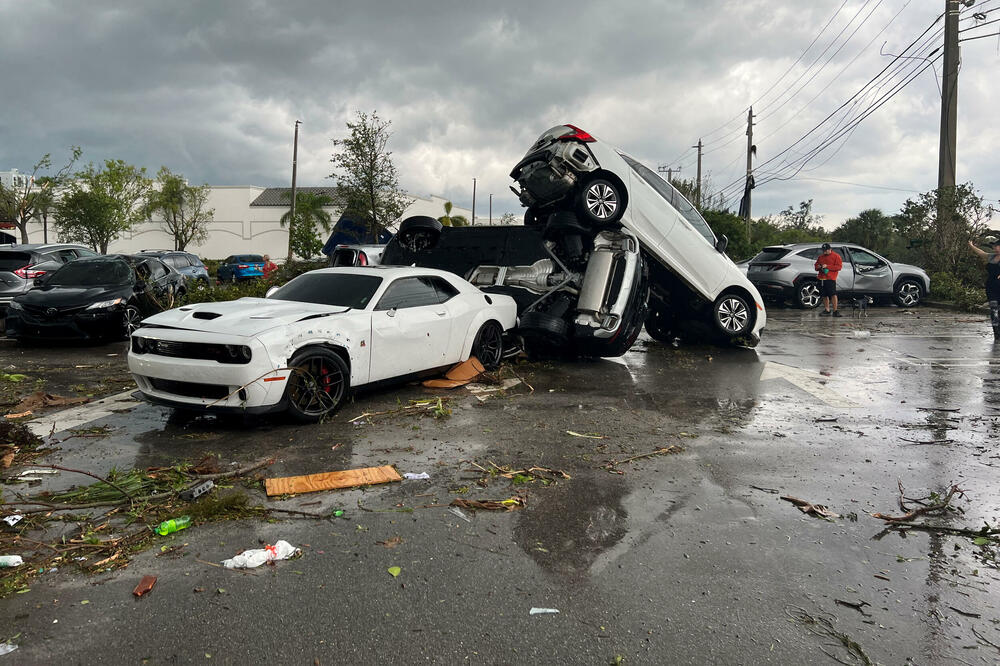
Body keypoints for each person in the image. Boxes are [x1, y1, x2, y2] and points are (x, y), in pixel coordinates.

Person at [968, 239, 1000, 339]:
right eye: (994, 246)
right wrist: (971, 246)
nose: (995, 248)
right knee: (994, 310)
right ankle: (996, 333)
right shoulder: (992, 257)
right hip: (991, 287)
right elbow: (981, 253)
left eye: (997, 246)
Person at [814, 243, 843, 317]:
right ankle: (827, 310)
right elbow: (816, 266)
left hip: (830, 278)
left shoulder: (836, 256)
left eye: (826, 250)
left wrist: (827, 266)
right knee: (824, 295)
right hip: (821, 278)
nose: (824, 252)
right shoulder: (821, 257)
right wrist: (819, 267)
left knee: (833, 294)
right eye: (823, 250)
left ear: (830, 249)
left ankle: (835, 311)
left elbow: (839, 267)